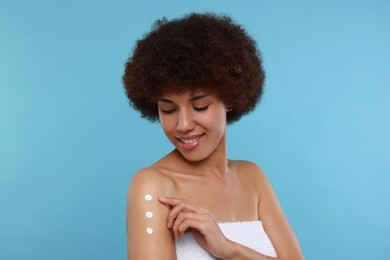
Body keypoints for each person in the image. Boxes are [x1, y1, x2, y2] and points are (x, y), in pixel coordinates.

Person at [122, 13, 304, 260]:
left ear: (229, 99)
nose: (183, 125)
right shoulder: (153, 186)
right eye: (168, 109)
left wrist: (229, 249)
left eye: (200, 106)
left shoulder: (253, 179)